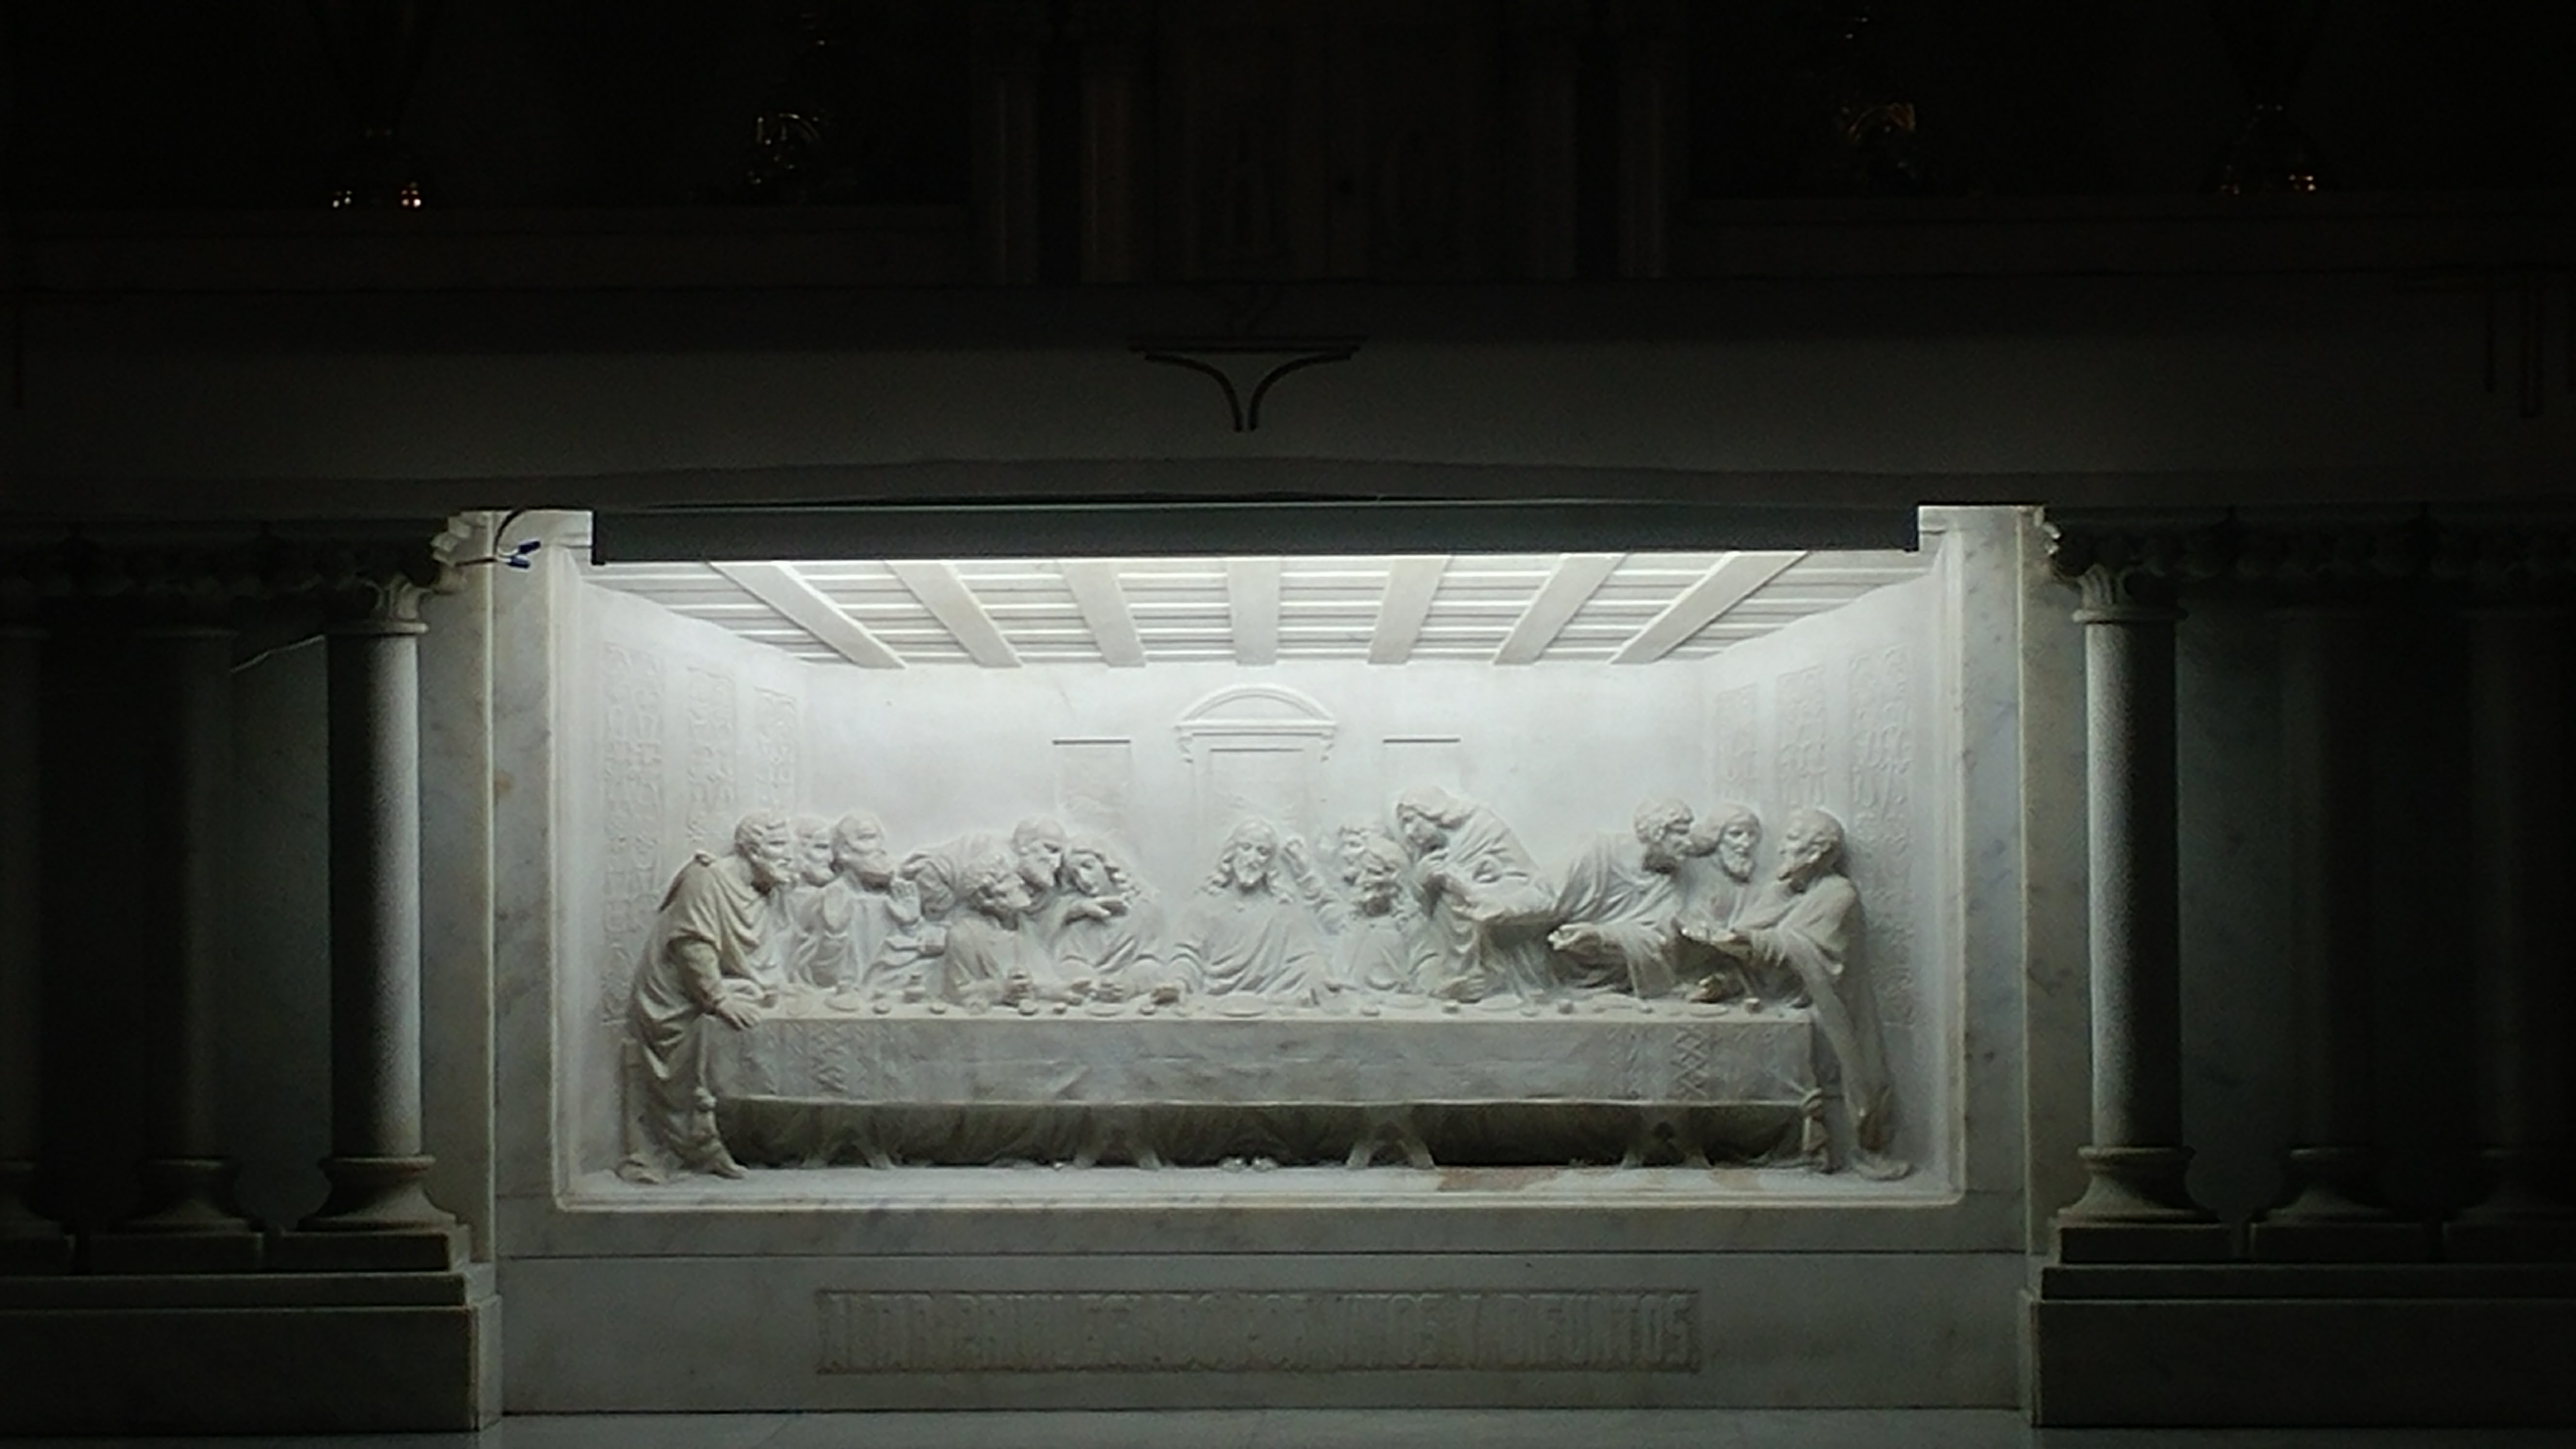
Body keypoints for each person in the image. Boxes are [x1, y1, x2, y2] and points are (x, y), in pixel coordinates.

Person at [1683, 806, 1907, 1179]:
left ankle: (1832, 1144)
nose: (1782, 849)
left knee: (1815, 1057)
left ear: (1817, 853)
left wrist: (1745, 941)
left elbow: (1803, 952)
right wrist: (1726, 977)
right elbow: (1755, 943)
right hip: (1777, 999)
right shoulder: (1782, 889)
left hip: (1829, 1007)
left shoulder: (1839, 895)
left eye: (1792, 840)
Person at [619, 810, 794, 1184]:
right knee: (680, 1081)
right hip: (674, 999)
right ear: (751, 850)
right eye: (779, 845)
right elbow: (692, 944)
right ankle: (683, 1152)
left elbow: (753, 957)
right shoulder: (707, 878)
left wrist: (759, 986)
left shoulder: (758, 893)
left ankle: (710, 1148)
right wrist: (719, 1000)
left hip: (705, 991)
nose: (789, 855)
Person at [1393, 785, 1556, 1001]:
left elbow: (1536, 890)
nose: (1408, 833)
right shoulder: (1424, 851)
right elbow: (1414, 909)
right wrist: (1420, 883)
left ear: (1432, 812)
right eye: (1403, 825)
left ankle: (1480, 974)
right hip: (1444, 944)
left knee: (1456, 898)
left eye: (1411, 820)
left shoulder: (1485, 830)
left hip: (1501, 927)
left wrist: (1478, 892)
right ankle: (1453, 976)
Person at [1546, 798, 1701, 997]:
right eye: (1680, 833)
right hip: (1555, 960)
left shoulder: (1667, 881)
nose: (1688, 843)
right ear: (1656, 833)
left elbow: (1663, 942)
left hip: (1611, 978)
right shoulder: (1596, 854)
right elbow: (1546, 898)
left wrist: (1601, 936)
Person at [1168, 818, 1333, 1004]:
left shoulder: (1282, 910)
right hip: (1211, 1003)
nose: (1252, 859)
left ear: (1270, 862)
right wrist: (1178, 983)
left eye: (1262, 852)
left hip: (1270, 1002)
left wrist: (1318, 977)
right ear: (1231, 853)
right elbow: (1187, 955)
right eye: (1246, 848)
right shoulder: (1206, 905)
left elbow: (1306, 959)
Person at [792, 811, 933, 998]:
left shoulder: (898, 894)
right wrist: (834, 936)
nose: (879, 850)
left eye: (879, 840)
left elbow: (912, 957)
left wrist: (911, 925)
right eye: (867, 838)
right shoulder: (830, 898)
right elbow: (822, 979)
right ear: (844, 852)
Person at [1050, 835, 1175, 1002]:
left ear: (1108, 865)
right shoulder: (1080, 918)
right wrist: (1090, 982)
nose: (1084, 880)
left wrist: (1129, 985)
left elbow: (1152, 963)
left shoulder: (1145, 912)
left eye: (1088, 867)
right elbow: (1069, 961)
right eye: (1075, 876)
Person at [1332, 835, 1439, 995]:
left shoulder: (1409, 924)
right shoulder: (1352, 918)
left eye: (1373, 873)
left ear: (1394, 881)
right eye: (1362, 872)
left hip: (1390, 1005)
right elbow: (1323, 903)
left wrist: (1430, 985)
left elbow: (1427, 962)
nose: (1364, 880)